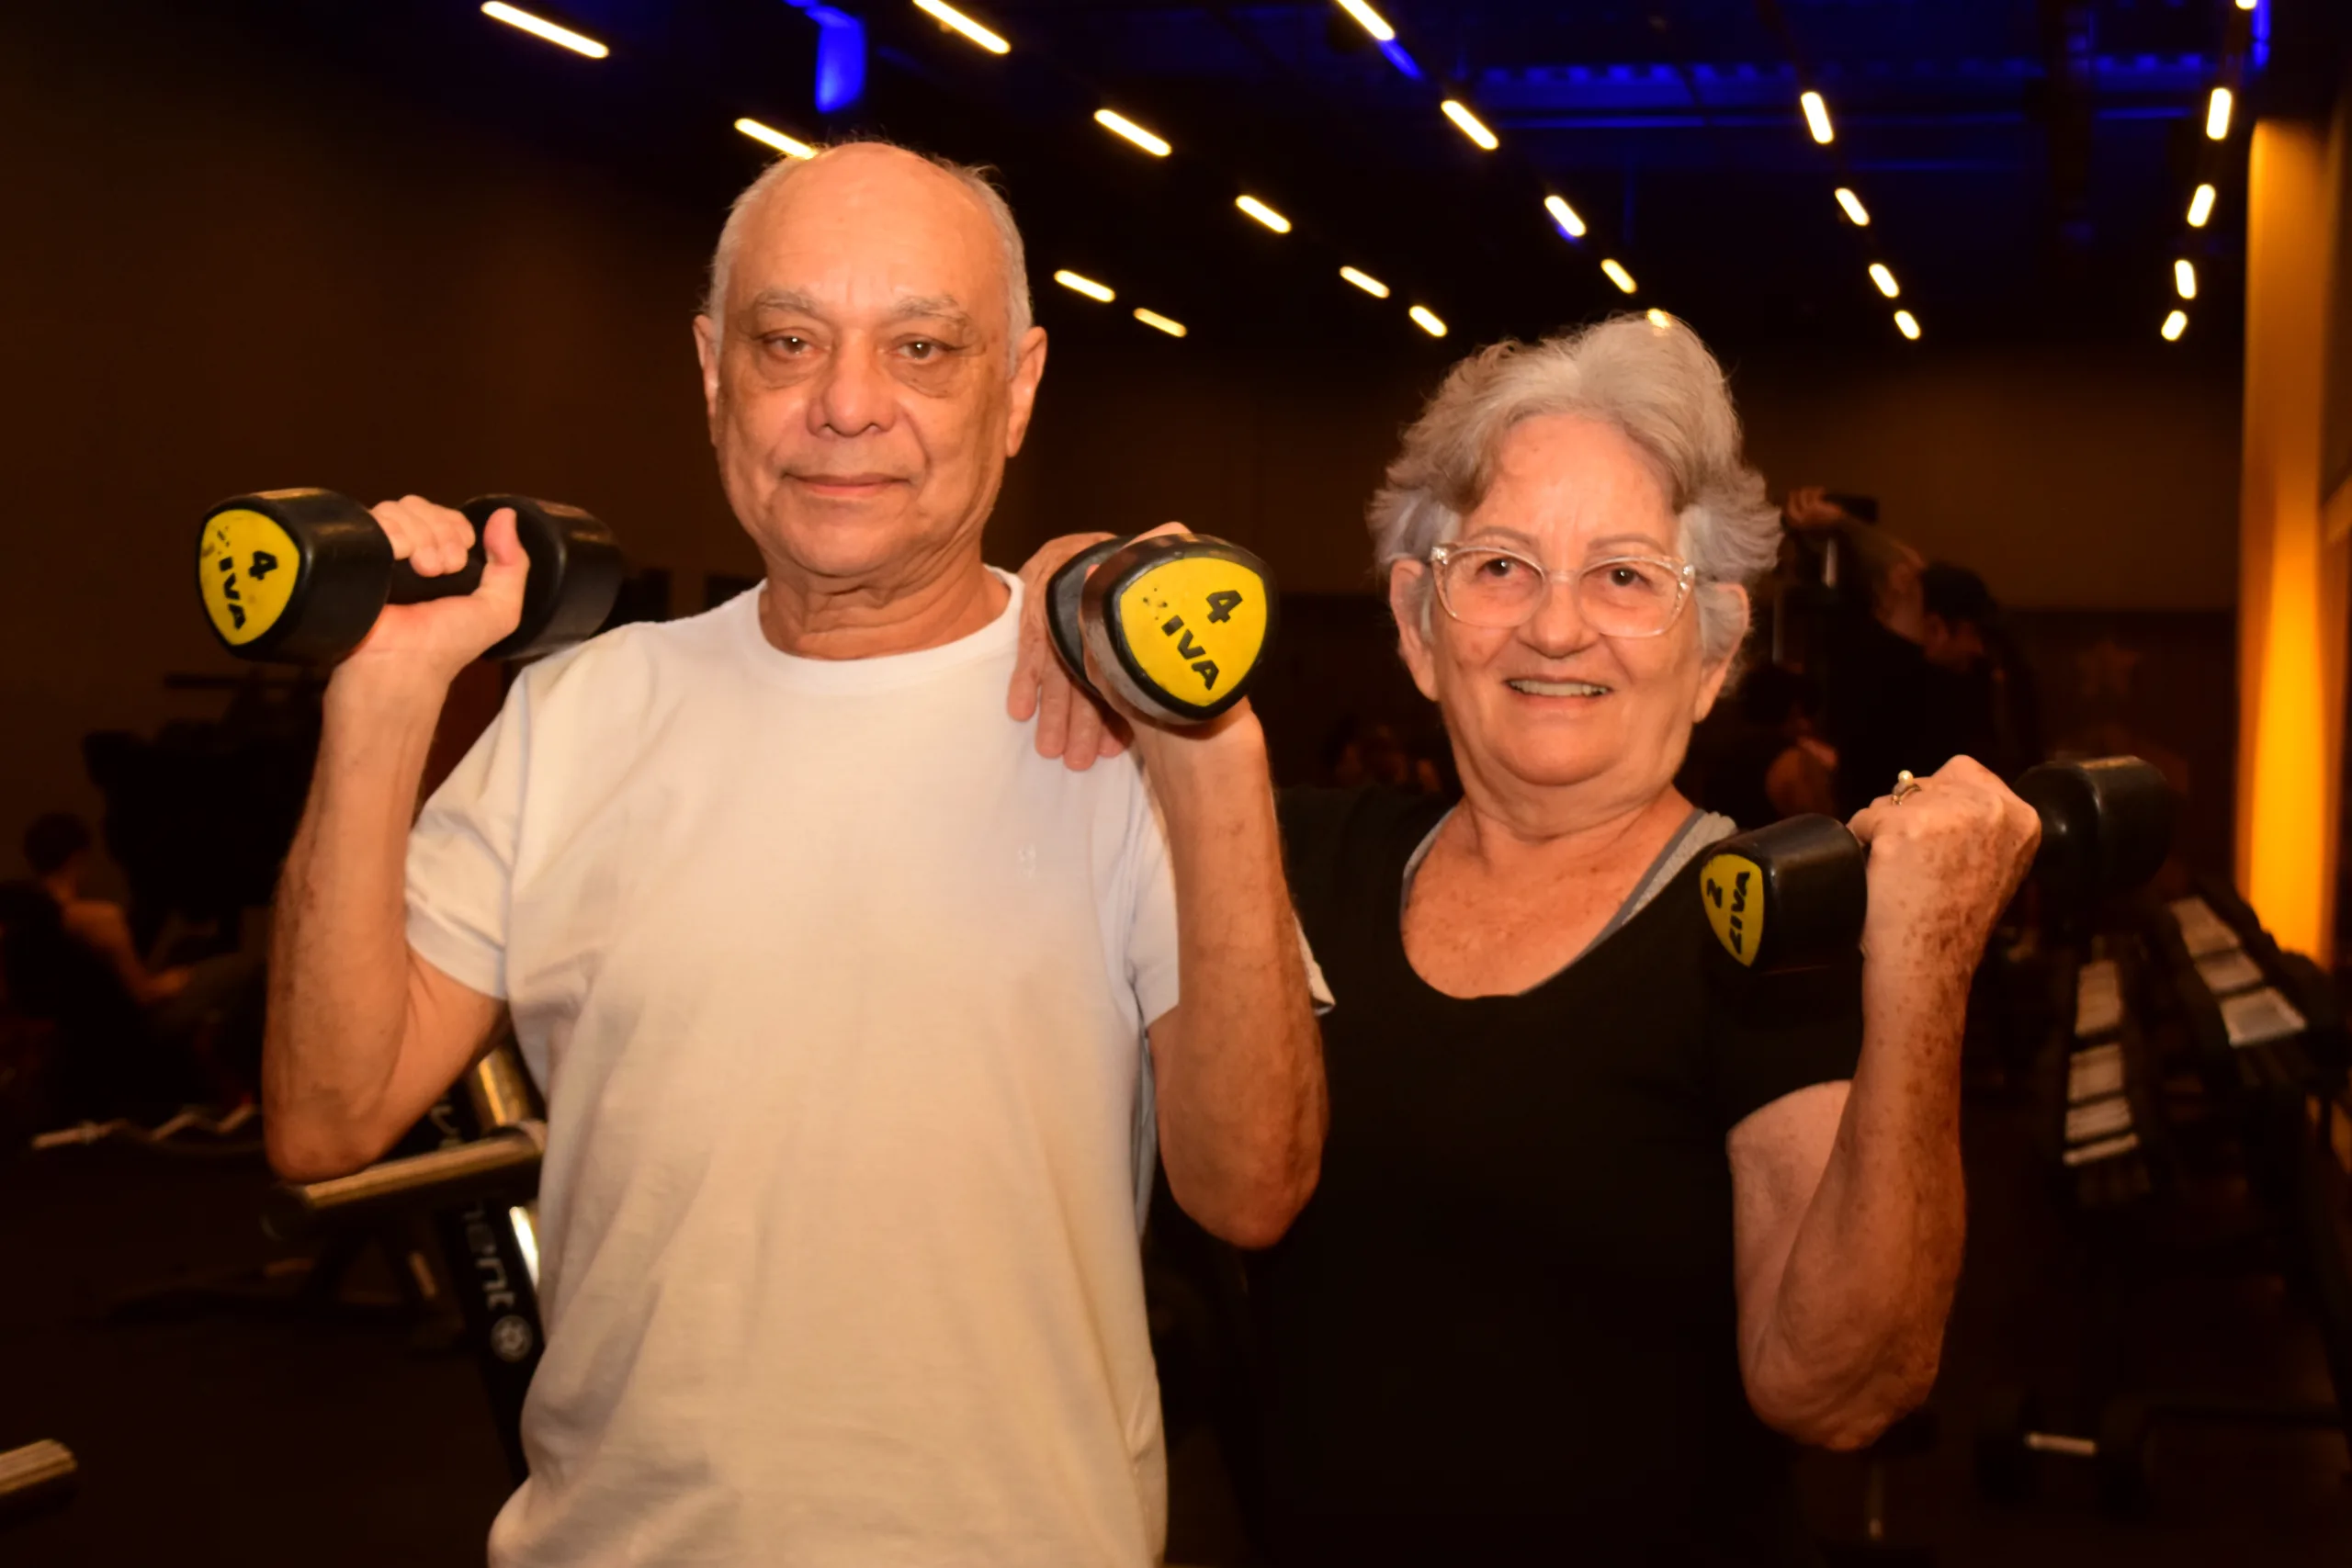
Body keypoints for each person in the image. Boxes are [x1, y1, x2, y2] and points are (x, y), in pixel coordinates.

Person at [262, 141, 1325, 1567]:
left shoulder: (1122, 723)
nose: (845, 405)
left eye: (924, 348)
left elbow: (1250, 1185)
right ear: (714, 371)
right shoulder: (575, 713)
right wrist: (381, 705)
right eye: (789, 340)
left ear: (1016, 389)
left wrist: (1208, 750)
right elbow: (327, 1113)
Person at [1011, 317, 2041, 1563]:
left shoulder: (1766, 923)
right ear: (1414, 622)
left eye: (1622, 575)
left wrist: (1924, 977)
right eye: (1500, 567)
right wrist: (1065, 583)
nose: (1556, 628)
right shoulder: (1286, 857)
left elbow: (1837, 1388)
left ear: (1713, 650)